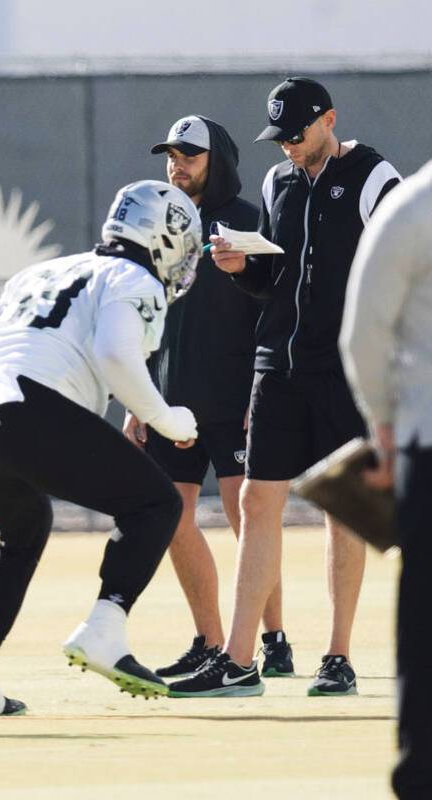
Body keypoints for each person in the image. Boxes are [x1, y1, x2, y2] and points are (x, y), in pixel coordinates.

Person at [170, 77, 401, 698]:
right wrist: (246, 268)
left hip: (344, 369)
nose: (288, 149)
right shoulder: (279, 181)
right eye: (280, 139)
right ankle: (240, 660)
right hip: (276, 364)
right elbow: (275, 277)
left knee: (340, 508)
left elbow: (408, 267)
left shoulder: (376, 178)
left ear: (329, 120)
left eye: (297, 135)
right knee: (256, 503)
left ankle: (338, 656)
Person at [0, 180, 202, 714]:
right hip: (26, 405)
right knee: (157, 503)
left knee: (22, 532)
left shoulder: (45, 270)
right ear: (164, 239)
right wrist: (164, 416)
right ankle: (106, 627)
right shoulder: (135, 279)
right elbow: (114, 352)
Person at [123, 116, 279, 680]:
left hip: (235, 399)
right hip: (171, 400)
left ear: (219, 161)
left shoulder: (247, 223)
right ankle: (210, 641)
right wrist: (137, 399)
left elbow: (271, 310)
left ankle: (274, 639)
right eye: (171, 153)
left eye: (190, 153)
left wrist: (261, 390)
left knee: (249, 520)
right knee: (170, 516)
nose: (177, 163)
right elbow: (145, 313)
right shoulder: (157, 222)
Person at [339, 159, 432, 798]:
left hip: (429, 440)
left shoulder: (415, 204)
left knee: (426, 622)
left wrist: (384, 428)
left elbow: (364, 331)